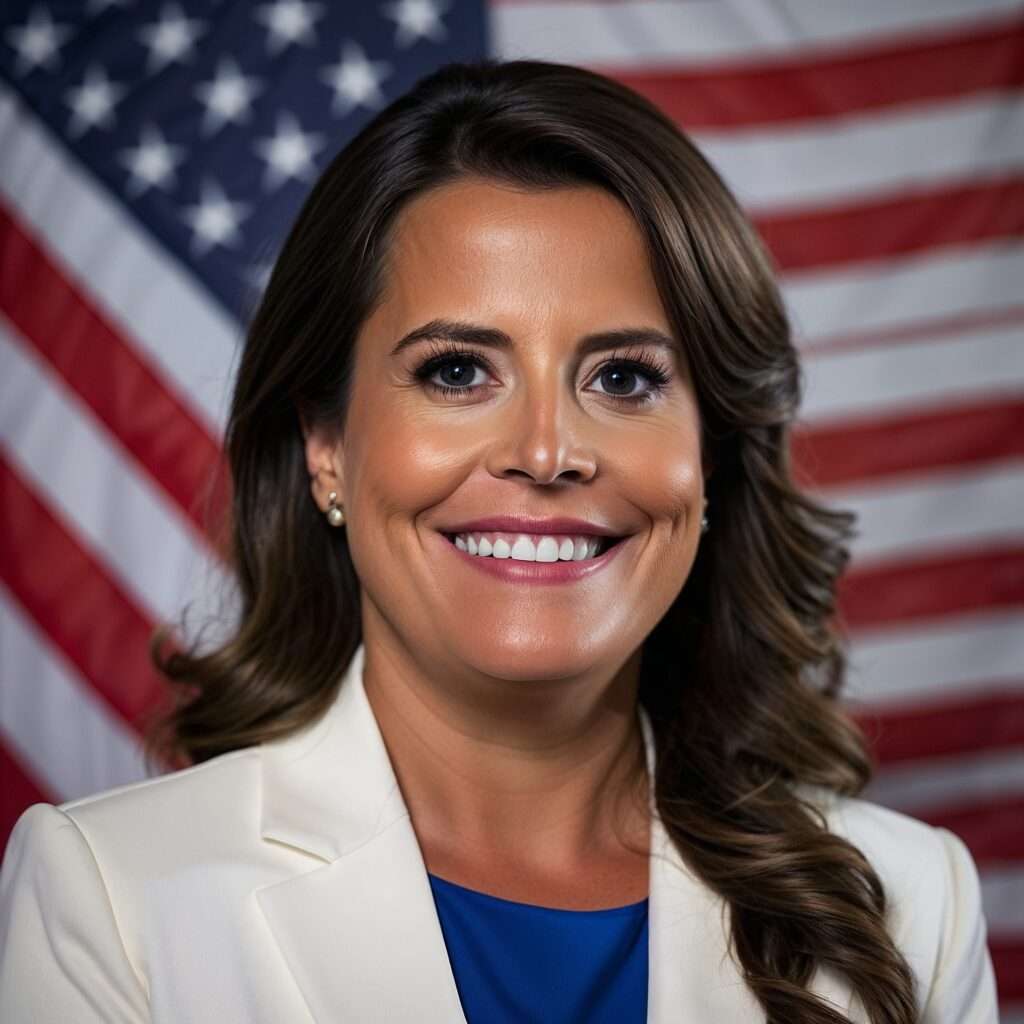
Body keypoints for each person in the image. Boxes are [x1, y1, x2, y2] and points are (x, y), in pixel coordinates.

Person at [0, 59, 998, 1024]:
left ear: (714, 453)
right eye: (455, 372)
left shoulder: (909, 905)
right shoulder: (116, 901)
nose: (546, 450)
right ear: (325, 445)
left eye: (623, 380)